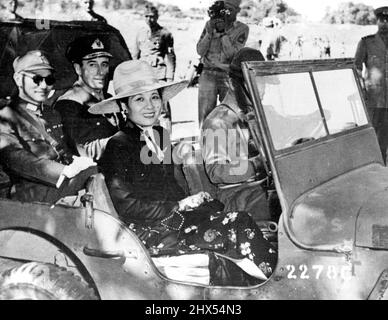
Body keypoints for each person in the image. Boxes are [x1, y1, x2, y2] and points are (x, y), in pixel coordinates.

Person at [89, 60, 277, 286]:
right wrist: (179, 206)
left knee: (237, 218)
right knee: (238, 224)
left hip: (170, 219)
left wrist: (192, 200)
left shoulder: (159, 134)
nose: (150, 106)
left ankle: (263, 281)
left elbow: (170, 185)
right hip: (147, 230)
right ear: (123, 106)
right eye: (140, 99)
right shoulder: (118, 145)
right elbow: (127, 206)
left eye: (155, 97)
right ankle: (274, 283)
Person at [0, 50, 96, 203]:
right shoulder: (6, 117)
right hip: (31, 196)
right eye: (37, 79)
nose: (43, 85)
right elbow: (16, 159)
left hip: (64, 188)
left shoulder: (52, 114)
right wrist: (63, 171)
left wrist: (80, 162)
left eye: (49, 79)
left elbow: (67, 149)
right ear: (18, 79)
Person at [201, 47, 278, 222]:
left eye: (262, 82)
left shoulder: (255, 113)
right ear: (230, 83)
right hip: (238, 197)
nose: (262, 90)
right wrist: (259, 164)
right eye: (254, 82)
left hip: (261, 188)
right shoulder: (218, 122)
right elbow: (217, 171)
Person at [54, 35, 122, 162]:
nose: (100, 72)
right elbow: (82, 150)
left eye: (104, 64)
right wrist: (126, 139)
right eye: (92, 65)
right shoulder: (68, 105)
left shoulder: (108, 98)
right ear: (78, 68)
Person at [196, 0, 249, 127]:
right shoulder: (210, 24)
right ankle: (205, 143)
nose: (227, 12)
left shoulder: (242, 29)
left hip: (228, 75)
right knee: (205, 116)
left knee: (229, 114)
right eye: (225, 8)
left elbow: (233, 55)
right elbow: (200, 51)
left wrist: (224, 34)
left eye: (230, 9)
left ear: (237, 11)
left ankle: (228, 143)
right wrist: (209, 33)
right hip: (208, 74)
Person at [132, 5, 176, 131]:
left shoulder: (165, 34)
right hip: (143, 76)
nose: (149, 19)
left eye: (152, 17)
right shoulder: (140, 33)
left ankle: (167, 138)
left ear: (157, 17)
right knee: (145, 108)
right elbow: (135, 56)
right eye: (147, 16)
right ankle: (149, 139)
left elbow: (170, 57)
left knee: (162, 109)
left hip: (159, 75)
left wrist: (169, 77)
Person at [355, 6, 388, 163]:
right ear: (377, 21)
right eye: (382, 20)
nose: (385, 24)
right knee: (376, 138)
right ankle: (379, 168)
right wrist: (361, 87)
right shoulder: (366, 43)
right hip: (375, 99)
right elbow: (355, 67)